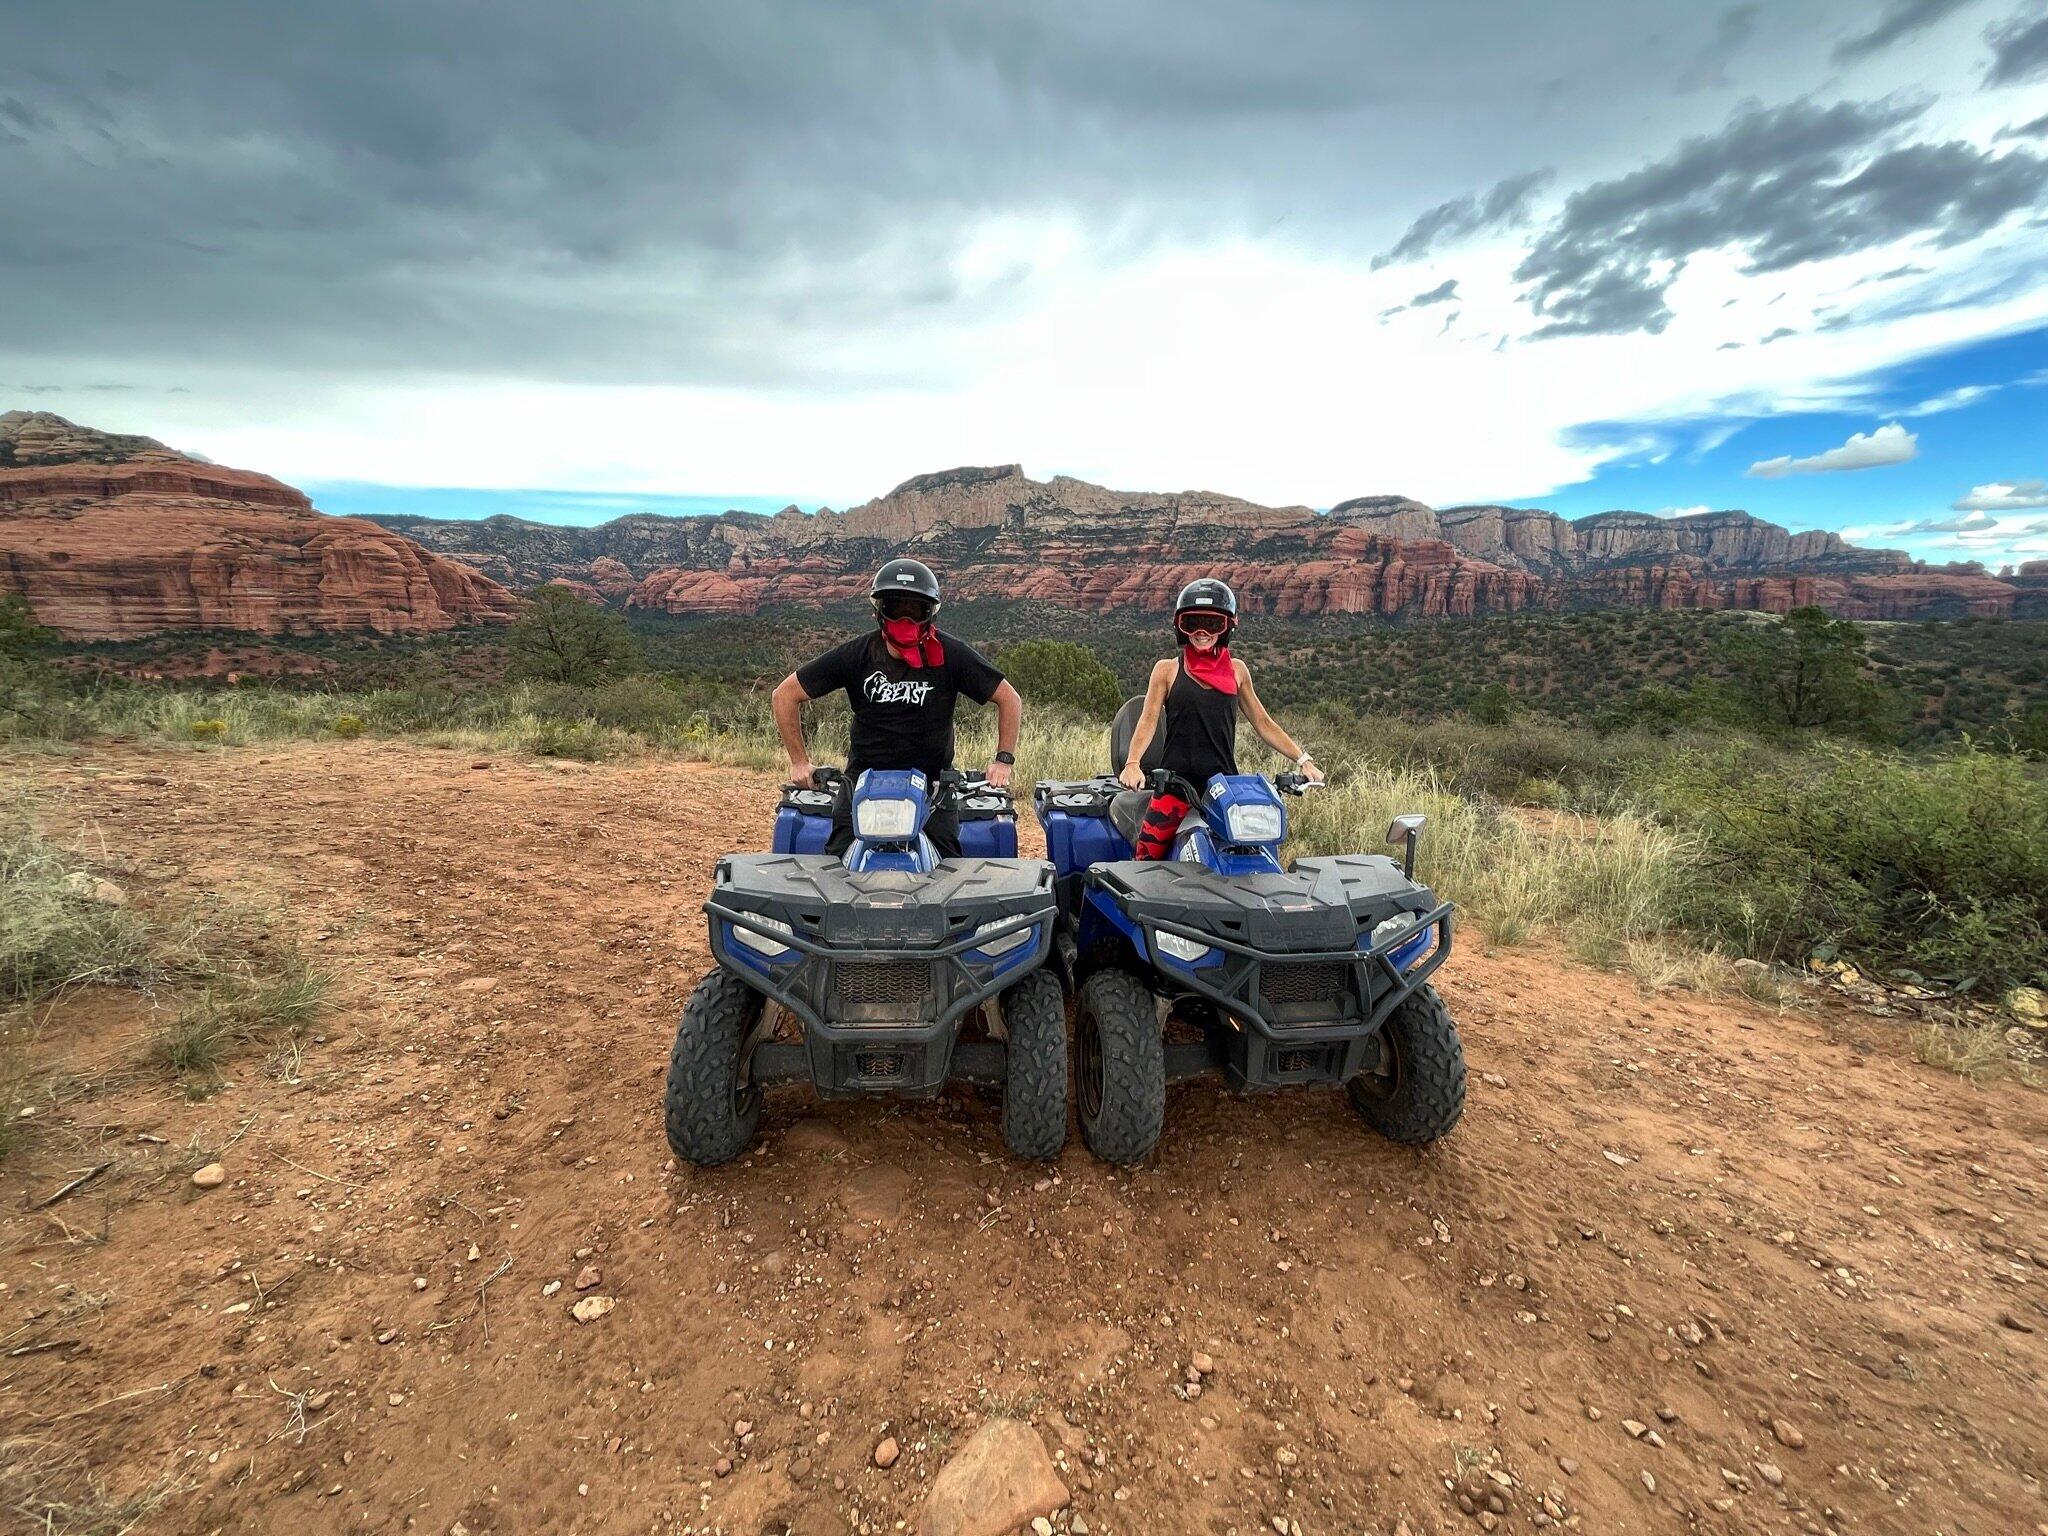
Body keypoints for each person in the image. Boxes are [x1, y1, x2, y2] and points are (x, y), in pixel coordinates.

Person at [773, 558, 1022, 858]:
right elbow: (784, 695)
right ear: (880, 611)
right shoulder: (856, 655)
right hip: (861, 784)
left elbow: (1009, 699)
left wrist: (1003, 760)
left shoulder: (950, 654)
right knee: (836, 869)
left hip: (933, 788)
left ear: (928, 613)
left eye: (915, 610)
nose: (906, 620)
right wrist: (800, 762)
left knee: (948, 876)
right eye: (896, 608)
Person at [1114, 578, 1324, 859]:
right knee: (1146, 854)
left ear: (1227, 626)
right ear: (1181, 627)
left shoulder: (1238, 671)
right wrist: (1132, 764)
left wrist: (1304, 761)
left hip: (1224, 786)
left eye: (1212, 624)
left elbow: (1263, 723)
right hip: (1176, 784)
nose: (1202, 632)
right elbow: (1148, 720)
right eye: (1193, 623)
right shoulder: (1166, 670)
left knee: (1258, 852)